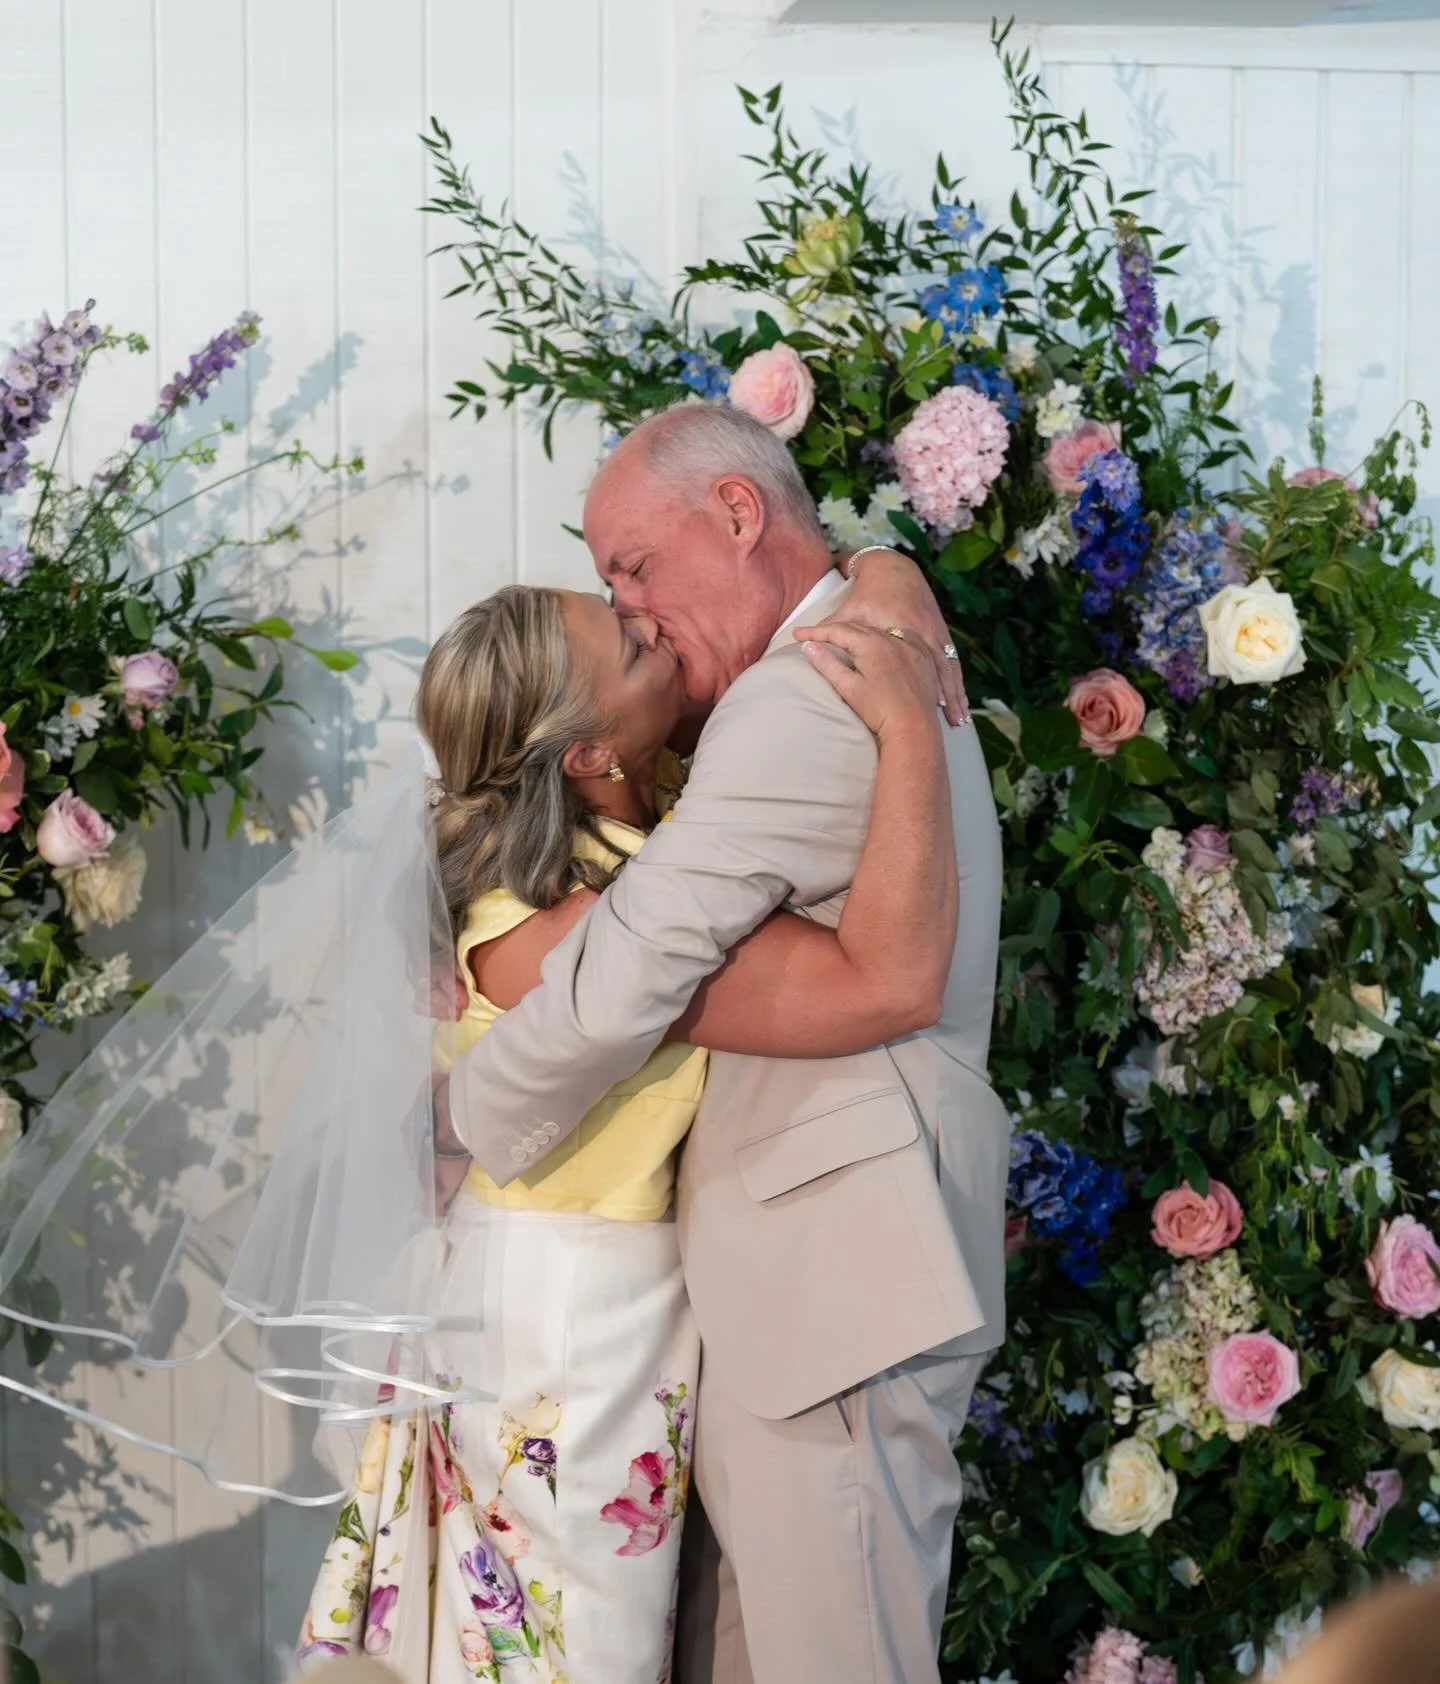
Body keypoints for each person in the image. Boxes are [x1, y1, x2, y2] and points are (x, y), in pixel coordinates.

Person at [296, 575, 964, 1682]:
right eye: (630, 640)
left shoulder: (659, 837)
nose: (655, 621)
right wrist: (905, 728)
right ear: (588, 755)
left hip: (632, 1299)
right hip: (560, 1320)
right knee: (576, 1643)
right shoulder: (552, 924)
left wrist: (886, 566)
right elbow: (862, 971)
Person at [442, 403, 1008, 1684]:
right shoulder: (862, 646)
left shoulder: (804, 701)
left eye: (632, 569)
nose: (633, 607)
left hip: (838, 1285)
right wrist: (883, 558)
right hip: (823, 1288)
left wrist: (458, 1114)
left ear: (739, 514)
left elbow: (624, 975)